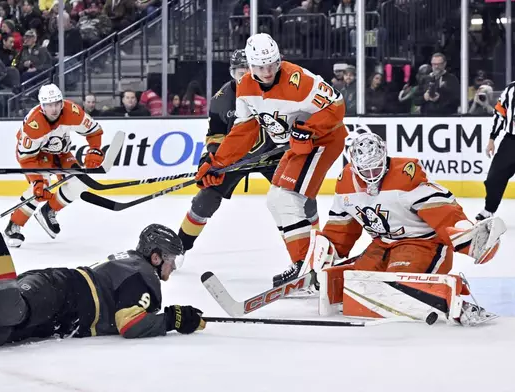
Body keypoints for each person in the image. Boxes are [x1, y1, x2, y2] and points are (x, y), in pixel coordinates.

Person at [0, 187, 206, 351]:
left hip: (59, 307)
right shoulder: (145, 276)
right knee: (7, 313)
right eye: (170, 259)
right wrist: (173, 320)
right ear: (154, 257)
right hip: (61, 294)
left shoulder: (132, 263)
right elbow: (129, 323)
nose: (172, 267)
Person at [195, 33, 347, 287]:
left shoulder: (300, 81)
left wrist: (309, 128)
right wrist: (217, 162)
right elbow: (244, 130)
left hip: (324, 140)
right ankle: (308, 265)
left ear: (279, 60)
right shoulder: (245, 87)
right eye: (259, 67)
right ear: (250, 66)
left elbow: (337, 106)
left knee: (286, 198)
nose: (267, 72)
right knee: (278, 200)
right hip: (297, 147)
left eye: (272, 65)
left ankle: (307, 266)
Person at [312, 133, 503, 326]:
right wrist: (326, 252)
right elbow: (341, 225)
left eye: (376, 168)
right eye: (365, 171)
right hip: (382, 244)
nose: (371, 176)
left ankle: (454, 301)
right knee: (359, 283)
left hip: (422, 244)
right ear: (354, 166)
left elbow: (443, 210)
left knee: (397, 285)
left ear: (385, 159)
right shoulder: (345, 183)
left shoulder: (405, 175)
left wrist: (469, 238)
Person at [177, 49, 284, 266]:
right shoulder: (222, 99)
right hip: (234, 161)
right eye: (238, 72)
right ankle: (179, 249)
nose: (243, 77)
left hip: (274, 156)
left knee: (294, 200)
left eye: (247, 71)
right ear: (231, 72)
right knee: (205, 200)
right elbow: (215, 134)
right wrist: (212, 158)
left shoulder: (276, 91)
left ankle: (308, 254)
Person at [4, 83, 105, 247]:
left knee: (80, 182)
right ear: (42, 106)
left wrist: (94, 150)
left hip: (61, 153)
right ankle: (13, 226)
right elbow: (26, 159)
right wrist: (36, 180)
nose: (54, 109)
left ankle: (49, 211)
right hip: (36, 156)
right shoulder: (33, 124)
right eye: (49, 105)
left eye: (57, 103)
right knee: (41, 188)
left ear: (62, 102)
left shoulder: (73, 112)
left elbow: (94, 130)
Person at [477, 81, 515, 221]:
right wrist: (492, 138)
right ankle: (489, 209)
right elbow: (500, 113)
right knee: (493, 178)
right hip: (511, 141)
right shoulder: (511, 89)